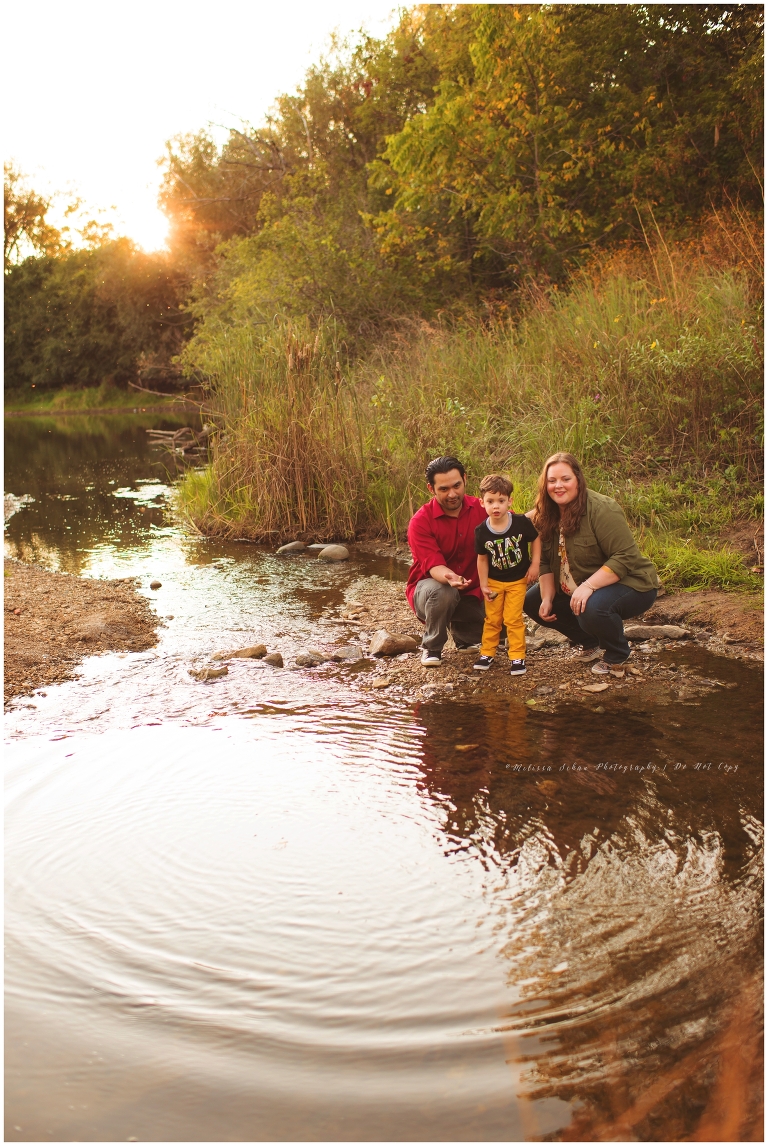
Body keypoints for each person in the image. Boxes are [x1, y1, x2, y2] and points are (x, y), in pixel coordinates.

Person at [524, 452, 660, 673]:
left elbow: (625, 557)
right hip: (580, 584)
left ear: (578, 478)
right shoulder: (545, 513)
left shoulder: (602, 508)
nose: (558, 486)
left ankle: (617, 652)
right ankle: (591, 642)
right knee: (532, 601)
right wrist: (547, 598)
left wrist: (588, 587)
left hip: (631, 583)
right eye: (552, 481)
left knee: (591, 607)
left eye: (565, 479)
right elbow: (546, 563)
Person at [406, 456, 487, 666]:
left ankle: (462, 636)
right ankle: (432, 647)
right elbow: (434, 566)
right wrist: (449, 576)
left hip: (472, 592)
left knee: (503, 625)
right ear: (431, 489)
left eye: (457, 486)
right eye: (443, 489)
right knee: (444, 591)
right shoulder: (420, 521)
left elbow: (514, 524)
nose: (452, 494)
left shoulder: (482, 509)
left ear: (465, 479)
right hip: (431, 591)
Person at [473, 473, 540, 676]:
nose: (496, 506)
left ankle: (517, 656)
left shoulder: (520, 523)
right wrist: (483, 584)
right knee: (492, 619)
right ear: (482, 503)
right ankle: (487, 653)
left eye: (501, 501)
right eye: (490, 501)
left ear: (509, 501)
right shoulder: (481, 531)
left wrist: (535, 564)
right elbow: (482, 559)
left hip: (517, 581)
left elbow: (535, 540)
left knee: (513, 619)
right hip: (494, 582)